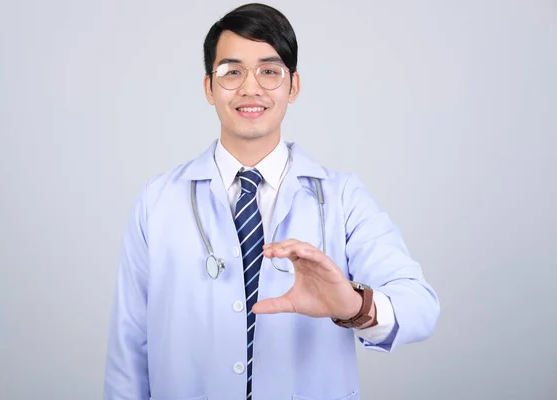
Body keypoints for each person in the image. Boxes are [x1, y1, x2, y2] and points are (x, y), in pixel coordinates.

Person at [103, 3, 439, 399]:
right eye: (231, 72)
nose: (250, 88)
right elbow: (128, 348)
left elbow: (420, 307)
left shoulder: (341, 197)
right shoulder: (158, 200)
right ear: (209, 88)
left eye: (269, 71)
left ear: (293, 86)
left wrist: (351, 305)